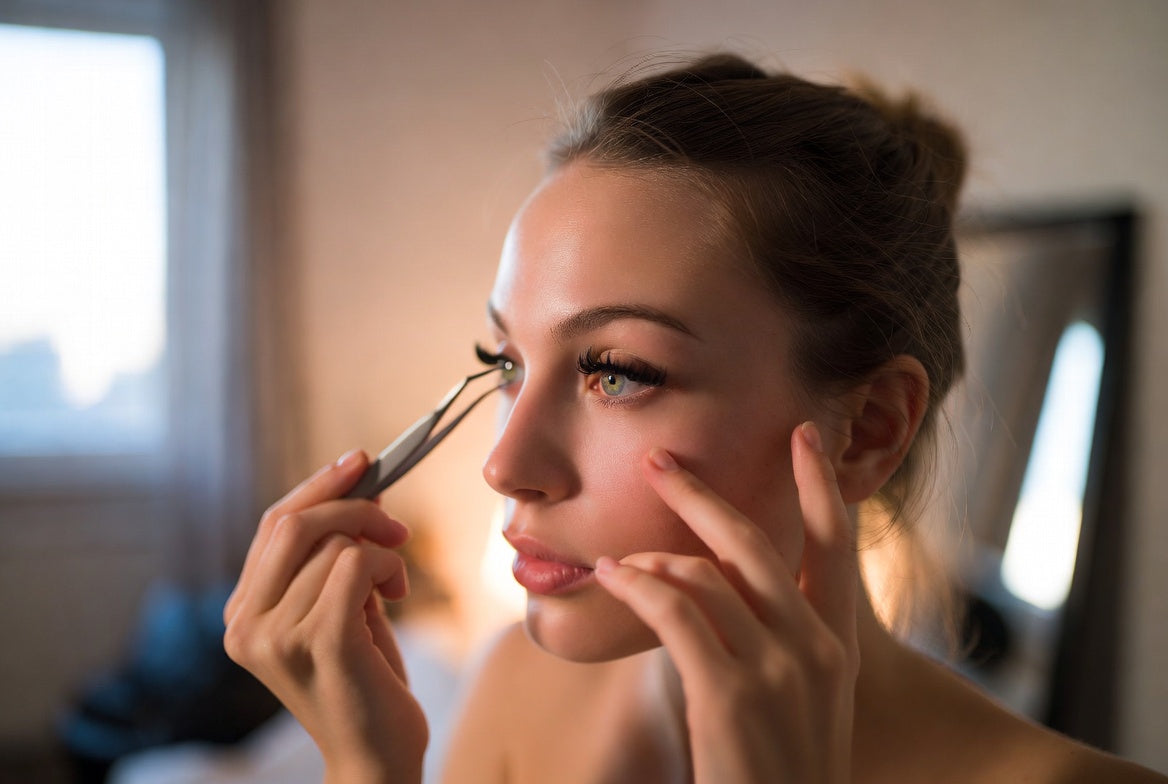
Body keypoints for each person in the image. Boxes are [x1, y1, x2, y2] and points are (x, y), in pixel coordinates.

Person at [223, 53, 1166, 783]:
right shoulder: (518, 682)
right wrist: (368, 768)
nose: (505, 465)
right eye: (504, 363)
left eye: (618, 373)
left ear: (869, 428)